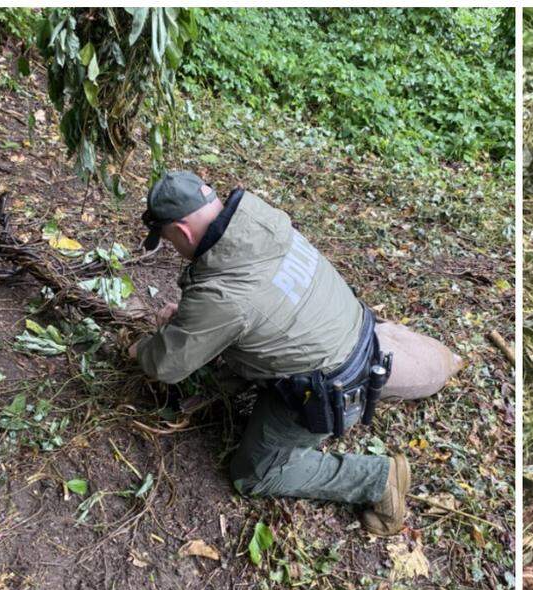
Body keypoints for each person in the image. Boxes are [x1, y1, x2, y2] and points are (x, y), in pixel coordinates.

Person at [128, 171, 462, 535]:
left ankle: (378, 479)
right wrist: (193, 321)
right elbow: (261, 300)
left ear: (183, 231)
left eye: (168, 239)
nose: (173, 248)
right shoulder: (261, 223)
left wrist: (142, 348)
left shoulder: (224, 297)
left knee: (254, 475)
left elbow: (166, 365)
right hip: (348, 336)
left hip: (328, 388)